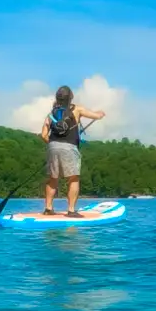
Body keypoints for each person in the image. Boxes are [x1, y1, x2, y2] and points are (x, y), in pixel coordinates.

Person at [39, 85, 105, 217]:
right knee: (73, 179)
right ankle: (71, 210)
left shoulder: (51, 114)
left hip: (52, 146)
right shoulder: (77, 109)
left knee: (53, 178)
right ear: (70, 98)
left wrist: (54, 144)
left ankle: (48, 208)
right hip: (70, 147)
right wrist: (100, 114)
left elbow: (43, 135)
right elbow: (96, 116)